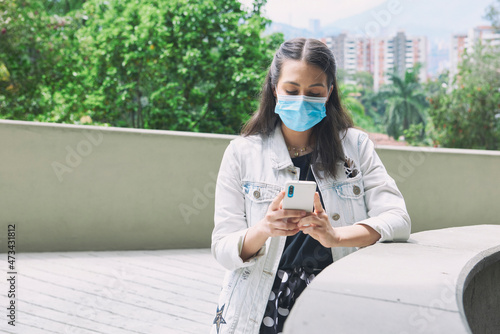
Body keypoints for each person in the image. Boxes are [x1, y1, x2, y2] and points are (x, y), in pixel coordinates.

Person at [210, 37, 410, 334]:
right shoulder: (242, 153)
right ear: (274, 89)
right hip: (260, 303)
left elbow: (398, 220)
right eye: (292, 90)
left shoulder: (355, 146)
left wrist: (336, 236)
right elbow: (223, 248)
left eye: (314, 92)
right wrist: (265, 228)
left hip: (338, 297)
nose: (302, 100)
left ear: (329, 93)